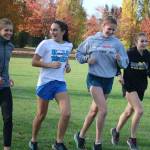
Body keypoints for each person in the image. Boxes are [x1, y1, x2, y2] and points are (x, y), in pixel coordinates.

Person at [74, 16, 129, 150]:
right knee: (103, 111)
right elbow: (78, 54)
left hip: (108, 80)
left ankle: (80, 136)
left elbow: (125, 63)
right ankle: (97, 143)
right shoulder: (92, 40)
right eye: (109, 28)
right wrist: (87, 59)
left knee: (94, 111)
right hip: (94, 78)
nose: (111, 32)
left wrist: (119, 59)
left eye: (113, 30)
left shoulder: (117, 43)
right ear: (103, 26)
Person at [28, 20, 73, 150]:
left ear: (63, 32)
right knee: (41, 115)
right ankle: (33, 140)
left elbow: (65, 58)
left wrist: (67, 65)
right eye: (51, 30)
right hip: (45, 82)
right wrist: (49, 65)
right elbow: (34, 62)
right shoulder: (45, 43)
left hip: (59, 83)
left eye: (55, 30)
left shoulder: (69, 45)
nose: (52, 32)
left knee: (66, 113)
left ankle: (58, 143)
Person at [111, 32, 150, 150]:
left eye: (145, 41)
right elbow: (117, 63)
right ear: (136, 42)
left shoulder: (148, 55)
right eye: (141, 41)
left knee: (128, 112)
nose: (144, 43)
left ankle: (115, 131)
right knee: (139, 111)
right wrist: (119, 75)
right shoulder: (129, 53)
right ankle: (132, 139)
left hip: (141, 87)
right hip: (129, 86)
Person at [0, 18, 14, 150]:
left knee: (8, 119)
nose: (9, 33)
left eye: (11, 30)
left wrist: (8, 78)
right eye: (6, 30)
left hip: (4, 87)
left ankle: (7, 148)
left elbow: (5, 66)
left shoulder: (10, 46)